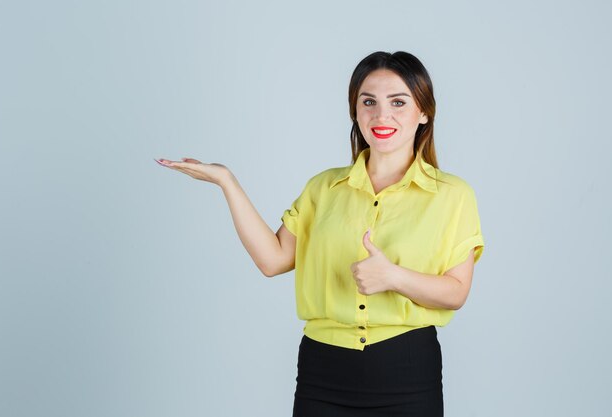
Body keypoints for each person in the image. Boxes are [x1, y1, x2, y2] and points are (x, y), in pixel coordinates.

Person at [155, 50, 484, 417]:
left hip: (407, 370)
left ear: (423, 112)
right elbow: (272, 259)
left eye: (398, 102)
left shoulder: (453, 195)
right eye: (369, 101)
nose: (381, 115)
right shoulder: (323, 188)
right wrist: (226, 182)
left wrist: (393, 276)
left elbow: (456, 292)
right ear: (355, 110)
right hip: (323, 372)